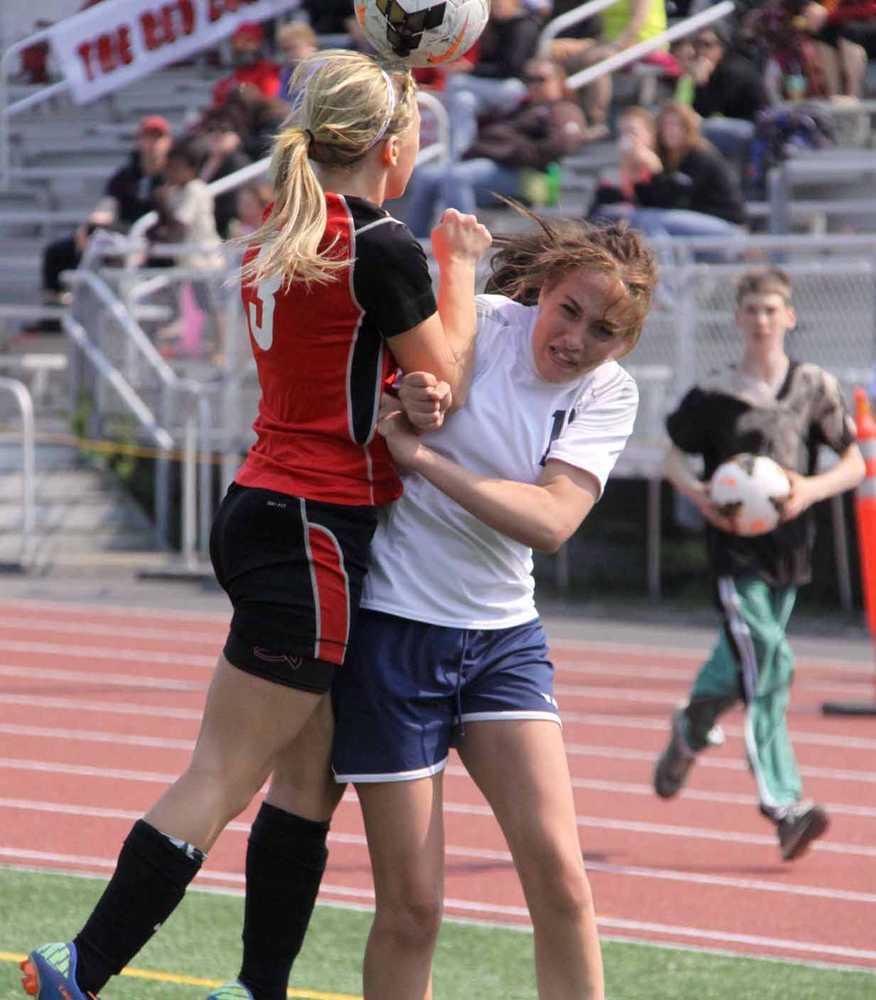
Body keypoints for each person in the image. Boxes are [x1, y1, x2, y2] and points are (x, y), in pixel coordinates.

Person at [20, 48, 491, 1000]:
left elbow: (372, 379)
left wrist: (401, 395)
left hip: (272, 509)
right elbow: (449, 376)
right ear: (391, 146)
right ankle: (83, 964)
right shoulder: (381, 243)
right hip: (316, 525)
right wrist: (463, 271)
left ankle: (257, 986)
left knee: (309, 774)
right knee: (225, 772)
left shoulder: (286, 231)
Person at [324, 216, 657, 1000]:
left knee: (564, 884)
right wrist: (411, 401)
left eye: (605, 330)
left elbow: (550, 521)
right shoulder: (476, 320)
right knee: (413, 909)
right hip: (397, 632)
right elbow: (412, 393)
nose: (576, 338)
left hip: (504, 639)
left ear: (625, 345)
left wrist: (426, 461)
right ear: (543, 289)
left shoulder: (610, 392)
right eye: (569, 309)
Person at [654, 266, 865, 862]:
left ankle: (691, 728)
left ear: (789, 317)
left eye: (772, 310)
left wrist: (807, 488)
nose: (762, 320)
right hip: (735, 555)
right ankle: (785, 806)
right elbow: (671, 456)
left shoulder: (814, 387)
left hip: (792, 553)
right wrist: (698, 495)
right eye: (751, 310)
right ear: (738, 317)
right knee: (770, 662)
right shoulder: (715, 393)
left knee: (741, 660)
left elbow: (853, 465)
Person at [403, 58, 589, 237]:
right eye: (529, 79)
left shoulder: (563, 109)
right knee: (426, 176)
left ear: (559, 82)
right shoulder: (518, 107)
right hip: (492, 167)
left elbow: (563, 144)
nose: (534, 84)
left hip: (530, 176)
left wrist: (511, 152)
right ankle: (416, 242)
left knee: (457, 176)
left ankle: (465, 240)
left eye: (541, 79)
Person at [595, 102, 747, 240]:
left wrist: (655, 172)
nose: (670, 130)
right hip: (693, 222)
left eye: (677, 125)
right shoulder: (668, 157)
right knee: (635, 218)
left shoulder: (699, 155)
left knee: (649, 219)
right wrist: (637, 177)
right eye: (666, 125)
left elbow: (673, 201)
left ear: (688, 128)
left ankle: (662, 267)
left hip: (727, 227)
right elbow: (652, 203)